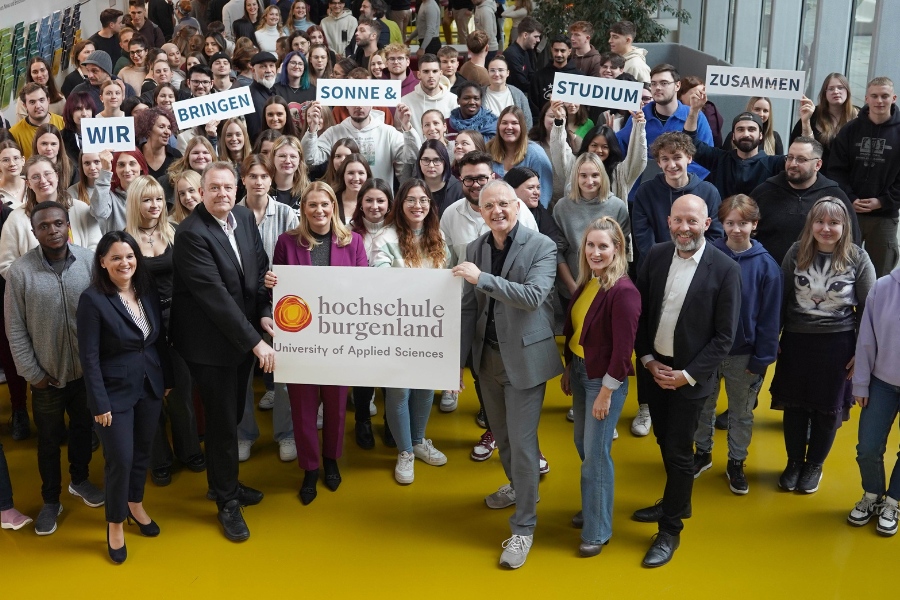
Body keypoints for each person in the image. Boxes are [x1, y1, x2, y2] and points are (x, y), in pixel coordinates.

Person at [454, 178, 562, 569]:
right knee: (502, 438)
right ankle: (518, 488)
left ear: (517, 206)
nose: (496, 212)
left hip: (526, 362)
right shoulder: (474, 248)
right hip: (487, 359)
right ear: (480, 212)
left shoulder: (542, 246)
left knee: (523, 441)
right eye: (488, 207)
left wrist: (481, 278)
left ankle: (523, 529)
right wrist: (458, 361)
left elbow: (533, 297)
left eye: (503, 204)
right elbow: (469, 309)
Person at [632, 194, 741, 567]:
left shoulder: (725, 269)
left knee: (680, 452)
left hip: (690, 379)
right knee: (665, 440)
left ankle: (670, 529)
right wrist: (646, 360)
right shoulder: (656, 255)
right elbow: (640, 313)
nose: (684, 228)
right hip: (654, 369)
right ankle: (678, 498)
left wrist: (687, 375)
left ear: (707, 225)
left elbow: (724, 337)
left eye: (692, 221)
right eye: (678, 220)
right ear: (668, 221)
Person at [170, 161, 273, 541]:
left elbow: (259, 272)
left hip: (241, 338)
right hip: (210, 346)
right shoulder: (190, 234)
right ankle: (228, 501)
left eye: (228, 187)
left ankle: (222, 483)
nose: (222, 194)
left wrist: (264, 314)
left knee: (229, 416)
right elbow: (216, 299)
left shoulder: (244, 218)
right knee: (220, 421)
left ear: (238, 187)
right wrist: (256, 341)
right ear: (200, 191)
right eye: (213, 188)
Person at [5, 200, 105, 536]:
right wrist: (34, 374)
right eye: (44, 226)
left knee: (83, 430)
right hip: (46, 376)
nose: (53, 230)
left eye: (58, 223)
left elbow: (105, 315)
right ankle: (51, 499)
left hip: (86, 374)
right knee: (48, 440)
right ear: (34, 232)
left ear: (68, 225)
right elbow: (15, 329)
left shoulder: (90, 262)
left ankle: (80, 480)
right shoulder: (20, 272)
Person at [76, 230, 171, 563]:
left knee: (142, 452)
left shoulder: (146, 291)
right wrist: (98, 402)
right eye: (115, 257)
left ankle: (135, 504)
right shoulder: (92, 299)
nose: (124, 262)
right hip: (113, 394)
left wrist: (167, 379)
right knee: (120, 459)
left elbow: (157, 340)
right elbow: (88, 357)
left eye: (129, 256)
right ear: (102, 262)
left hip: (150, 386)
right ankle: (115, 523)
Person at [269, 181, 365, 502]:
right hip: (301, 339)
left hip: (339, 338)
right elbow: (280, 291)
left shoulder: (353, 242)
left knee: (337, 406)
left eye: (325, 204)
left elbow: (366, 288)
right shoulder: (287, 241)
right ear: (303, 209)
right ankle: (310, 468)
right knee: (303, 407)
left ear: (333, 207)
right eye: (312, 205)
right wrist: (271, 282)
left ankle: (331, 460)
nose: (319, 210)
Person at [771, 198, 875, 494]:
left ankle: (814, 464)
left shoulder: (858, 258)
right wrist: (773, 337)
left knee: (827, 410)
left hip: (838, 345)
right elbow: (782, 296)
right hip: (796, 341)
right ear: (810, 225)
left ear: (845, 227)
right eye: (820, 222)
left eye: (834, 223)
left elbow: (870, 309)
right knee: (794, 406)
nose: (826, 228)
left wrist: (862, 352)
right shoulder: (796, 251)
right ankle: (794, 462)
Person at [692, 195, 782, 494]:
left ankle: (736, 461)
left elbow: (770, 317)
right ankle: (702, 452)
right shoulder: (707, 256)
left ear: (754, 225)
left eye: (743, 223)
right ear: (721, 224)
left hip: (744, 356)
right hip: (706, 352)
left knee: (741, 413)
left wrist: (762, 359)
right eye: (730, 223)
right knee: (702, 406)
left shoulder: (767, 267)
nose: (736, 229)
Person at [560, 216, 639, 557]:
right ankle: (596, 505)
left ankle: (598, 529)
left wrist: (605, 393)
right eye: (590, 245)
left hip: (602, 381)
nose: (595, 251)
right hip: (580, 372)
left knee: (595, 457)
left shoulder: (623, 291)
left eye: (603, 246)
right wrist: (568, 370)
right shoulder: (590, 281)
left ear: (617, 248)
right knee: (583, 445)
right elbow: (579, 331)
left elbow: (623, 353)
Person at [371, 179, 451, 482]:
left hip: (431, 329)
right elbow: (381, 282)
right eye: (411, 200)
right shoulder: (385, 237)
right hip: (397, 328)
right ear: (400, 204)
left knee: (425, 385)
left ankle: (418, 442)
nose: (418, 206)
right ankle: (404, 451)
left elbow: (447, 281)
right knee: (400, 389)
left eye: (423, 200)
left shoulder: (438, 236)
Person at [236, 154, 299, 462]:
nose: (258, 181)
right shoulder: (232, 215)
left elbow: (300, 255)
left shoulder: (287, 214)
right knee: (243, 377)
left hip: (281, 305)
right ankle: (245, 434)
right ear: (243, 179)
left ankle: (286, 434)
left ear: (271, 180)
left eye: (263, 176)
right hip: (243, 306)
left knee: (284, 375)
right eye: (252, 176)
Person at [828, 77, 900, 278]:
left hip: (884, 218)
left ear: (893, 98)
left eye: (885, 96)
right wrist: (850, 198)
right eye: (874, 96)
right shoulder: (850, 130)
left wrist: (882, 202)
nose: (879, 101)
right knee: (842, 273)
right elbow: (835, 170)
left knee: (881, 277)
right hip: (850, 214)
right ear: (866, 98)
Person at [751, 137, 859, 266]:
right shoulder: (764, 192)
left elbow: (852, 241)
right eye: (790, 157)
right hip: (769, 275)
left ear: (818, 165)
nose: (792, 164)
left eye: (801, 159)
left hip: (818, 277)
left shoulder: (835, 195)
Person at [850, 262, 900, 536]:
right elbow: (866, 339)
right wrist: (861, 382)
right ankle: (872, 494)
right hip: (882, 382)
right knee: (868, 447)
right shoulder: (882, 287)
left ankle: (893, 502)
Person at [616, 64, 714, 202]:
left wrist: (677, 178)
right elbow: (621, 150)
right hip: (644, 196)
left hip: (683, 194)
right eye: (654, 84)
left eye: (664, 83)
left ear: (677, 86)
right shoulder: (639, 116)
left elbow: (706, 158)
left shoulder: (694, 115)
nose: (658, 88)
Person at [632, 132, 723, 270]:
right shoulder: (645, 192)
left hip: (696, 268)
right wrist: (664, 263)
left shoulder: (709, 192)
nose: (672, 165)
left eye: (677, 157)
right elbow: (643, 236)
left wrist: (690, 262)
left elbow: (715, 234)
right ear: (658, 162)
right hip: (655, 267)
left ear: (689, 158)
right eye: (665, 159)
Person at [0, 156, 101, 278]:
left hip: (82, 286)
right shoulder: (16, 218)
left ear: (57, 176)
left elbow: (95, 250)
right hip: (38, 293)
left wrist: (79, 277)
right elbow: (6, 265)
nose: (43, 180)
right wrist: (37, 283)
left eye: (47, 174)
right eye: (36, 177)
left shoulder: (81, 209)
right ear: (28, 183)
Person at [554, 151, 631, 303]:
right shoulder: (562, 207)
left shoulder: (617, 206)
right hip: (573, 285)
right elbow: (557, 252)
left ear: (602, 176)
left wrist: (609, 283)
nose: (589, 181)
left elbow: (622, 249)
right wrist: (572, 287)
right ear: (576, 177)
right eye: (583, 175)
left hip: (608, 286)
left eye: (595, 175)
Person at [550, 100, 647, 207]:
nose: (599, 150)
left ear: (611, 149)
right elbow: (559, 150)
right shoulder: (574, 165)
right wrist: (559, 121)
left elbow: (638, 158)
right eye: (594, 145)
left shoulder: (620, 173)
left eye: (605, 147)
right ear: (587, 146)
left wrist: (639, 125)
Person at [301, 100, 419, 187]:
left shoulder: (388, 132)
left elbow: (413, 156)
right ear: (345, 104)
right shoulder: (334, 132)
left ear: (372, 104)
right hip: (343, 201)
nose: (358, 106)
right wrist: (312, 129)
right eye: (353, 101)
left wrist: (407, 126)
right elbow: (309, 158)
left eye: (364, 101)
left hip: (378, 203)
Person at [791, 73, 858, 171]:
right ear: (824, 93)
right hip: (819, 175)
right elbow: (804, 150)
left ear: (847, 91)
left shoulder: (859, 116)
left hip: (849, 176)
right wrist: (805, 122)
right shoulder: (813, 115)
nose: (836, 91)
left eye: (840, 88)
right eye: (831, 89)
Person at [487, 106, 551, 207]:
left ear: (522, 126)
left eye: (514, 123)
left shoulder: (536, 154)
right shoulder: (488, 150)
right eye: (504, 123)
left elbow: (543, 195)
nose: (509, 127)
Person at [91, 150, 150, 234]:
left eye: (132, 163)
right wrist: (105, 171)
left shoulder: (153, 193)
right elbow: (98, 213)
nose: (127, 169)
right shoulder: (108, 194)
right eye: (121, 165)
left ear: (141, 166)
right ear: (115, 168)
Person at [401, 54, 458, 136]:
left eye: (434, 71)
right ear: (419, 74)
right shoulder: (405, 101)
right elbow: (400, 134)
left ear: (440, 73)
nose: (431, 76)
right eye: (426, 71)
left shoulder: (454, 100)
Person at [529, 35, 583, 119]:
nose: (559, 54)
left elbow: (584, 107)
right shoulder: (539, 76)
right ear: (551, 50)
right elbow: (533, 105)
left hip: (573, 126)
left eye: (562, 51)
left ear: (569, 51)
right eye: (556, 50)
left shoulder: (579, 77)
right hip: (545, 126)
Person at [9, 84, 66, 161]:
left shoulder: (64, 123)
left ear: (48, 101)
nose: (38, 106)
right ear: (25, 106)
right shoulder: (14, 133)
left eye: (41, 100)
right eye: (32, 102)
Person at [71, 51, 138, 115]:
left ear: (107, 73)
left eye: (94, 71)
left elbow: (134, 116)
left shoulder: (127, 89)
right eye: (88, 70)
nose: (89, 75)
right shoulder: (79, 91)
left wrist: (123, 99)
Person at [415, 139, 462, 216]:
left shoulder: (457, 189)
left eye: (436, 160)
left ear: (445, 162)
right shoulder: (410, 187)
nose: (431, 165)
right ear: (419, 162)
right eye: (426, 160)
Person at [677, 75, 724, 148]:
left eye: (702, 94)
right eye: (695, 94)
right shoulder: (674, 112)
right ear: (680, 96)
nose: (699, 98)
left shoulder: (710, 111)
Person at [138, 107, 182, 181]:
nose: (167, 132)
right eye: (162, 127)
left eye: (169, 127)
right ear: (148, 129)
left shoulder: (176, 156)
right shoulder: (135, 155)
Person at [503, 16, 541, 94]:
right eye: (536, 37)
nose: (538, 40)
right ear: (525, 35)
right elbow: (521, 84)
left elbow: (531, 74)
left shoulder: (526, 51)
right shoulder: (511, 54)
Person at [247, 52, 279, 141]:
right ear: (253, 71)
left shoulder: (276, 90)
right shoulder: (251, 97)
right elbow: (256, 134)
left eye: (272, 66)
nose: (269, 70)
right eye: (263, 66)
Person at [333, 152, 371, 223]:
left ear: (367, 175)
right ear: (343, 175)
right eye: (351, 173)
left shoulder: (375, 201)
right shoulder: (332, 200)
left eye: (361, 173)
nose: (356, 178)